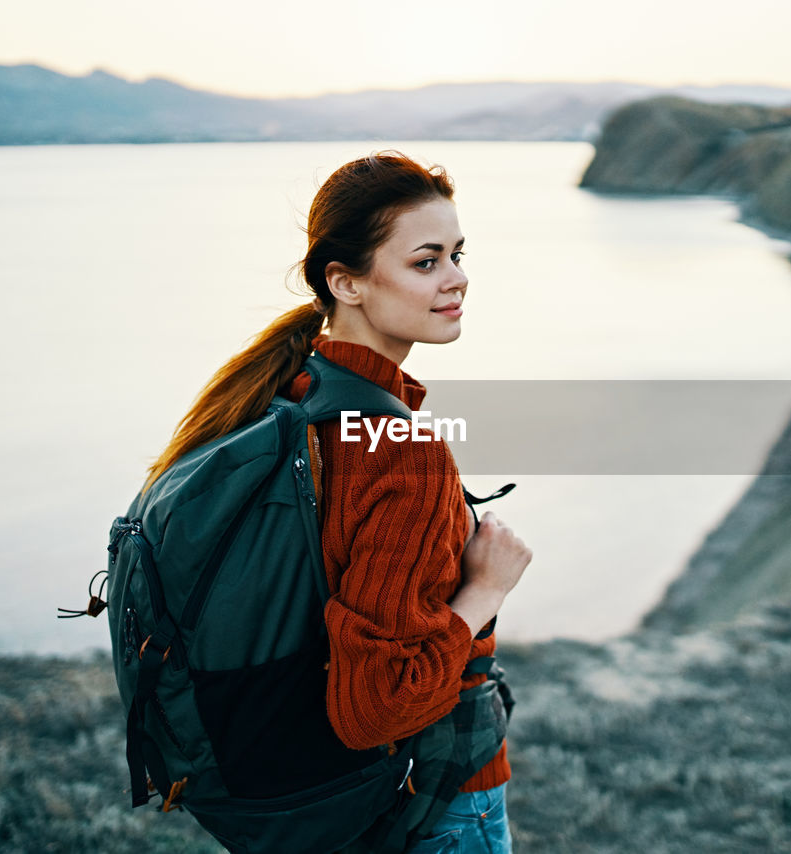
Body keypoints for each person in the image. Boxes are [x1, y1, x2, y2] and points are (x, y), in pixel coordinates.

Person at [145, 150, 531, 853]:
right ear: (345, 283)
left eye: (457, 254)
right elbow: (375, 707)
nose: (458, 278)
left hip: (341, 803)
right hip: (434, 806)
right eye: (426, 262)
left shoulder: (291, 396)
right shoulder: (400, 448)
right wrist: (487, 588)